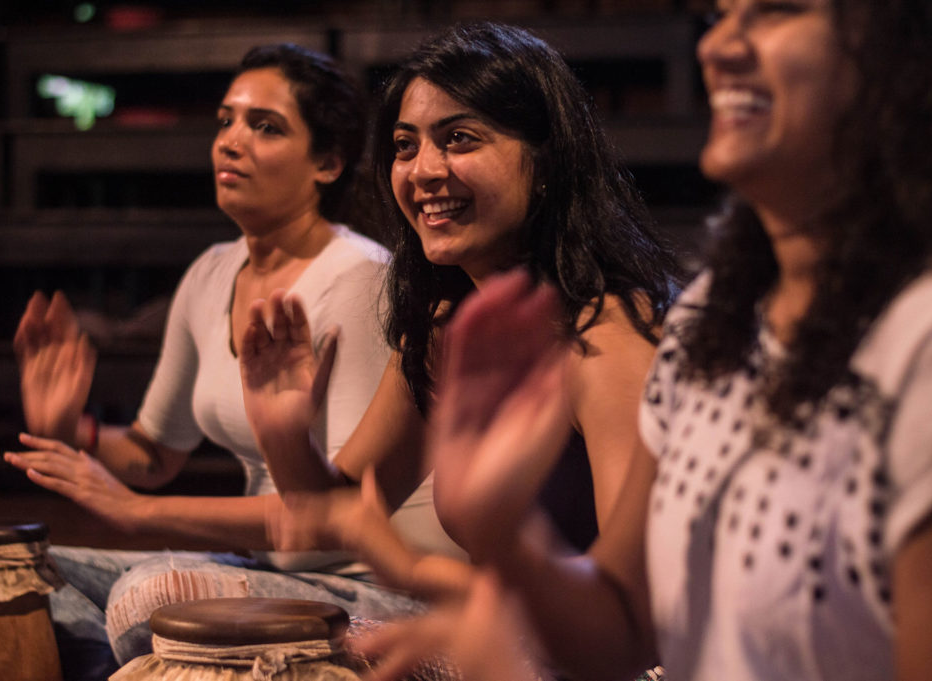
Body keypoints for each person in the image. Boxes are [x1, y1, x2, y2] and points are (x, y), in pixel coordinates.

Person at [359, 1, 932, 680]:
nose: (719, 45)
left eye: (775, 11)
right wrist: (503, 530)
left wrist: (500, 661)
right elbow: (627, 630)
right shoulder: (714, 315)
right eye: (722, 15)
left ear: (900, 53)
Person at [5, 43, 453, 681]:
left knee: (153, 595)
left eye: (264, 126)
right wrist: (66, 427)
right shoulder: (212, 272)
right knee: (21, 581)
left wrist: (139, 512)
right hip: (264, 571)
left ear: (327, 162)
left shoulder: (360, 281)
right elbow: (153, 455)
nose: (230, 141)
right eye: (225, 121)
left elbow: (335, 522)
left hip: (368, 585)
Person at [240, 21, 681, 607]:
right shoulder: (443, 327)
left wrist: (410, 569)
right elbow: (340, 515)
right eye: (405, 145)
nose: (423, 170)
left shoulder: (606, 336)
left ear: (547, 162)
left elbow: (637, 602)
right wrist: (287, 437)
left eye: (460, 139)